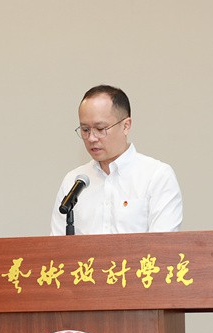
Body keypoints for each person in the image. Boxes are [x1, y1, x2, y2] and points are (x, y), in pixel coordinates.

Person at [50, 85, 183, 235]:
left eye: (100, 129)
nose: (91, 138)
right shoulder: (73, 181)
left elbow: (163, 244)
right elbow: (56, 244)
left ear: (126, 126)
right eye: (85, 130)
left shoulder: (157, 176)